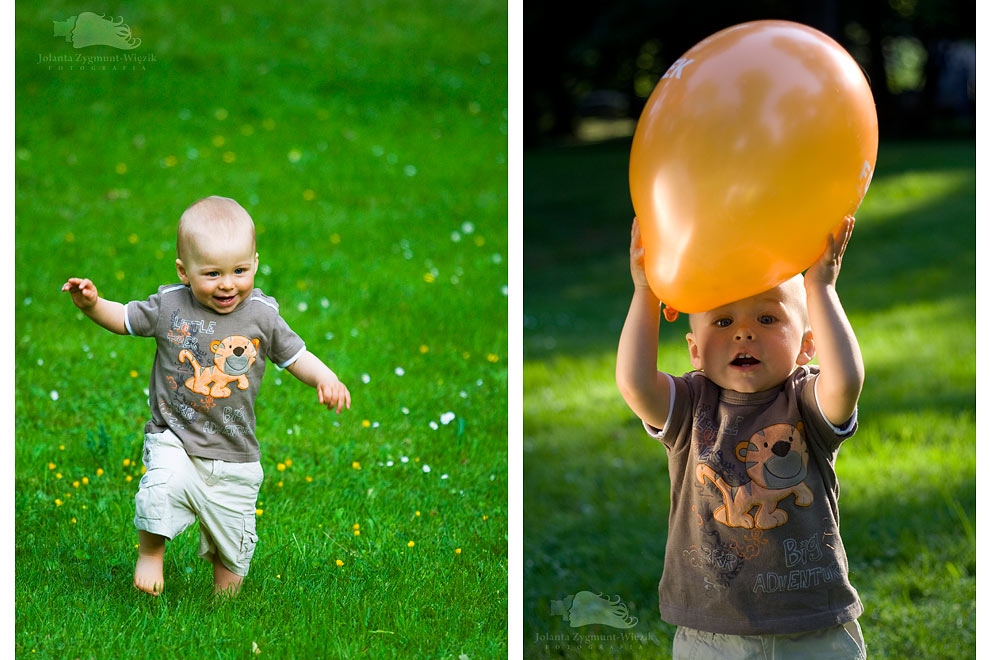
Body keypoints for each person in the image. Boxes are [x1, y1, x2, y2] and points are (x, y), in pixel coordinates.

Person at [62, 195, 351, 597]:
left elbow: (296, 355)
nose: (228, 283)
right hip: (175, 436)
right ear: (184, 271)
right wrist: (93, 305)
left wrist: (326, 378)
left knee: (233, 548)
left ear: (255, 262)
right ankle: (151, 553)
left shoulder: (262, 316)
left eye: (240, 270)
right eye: (212, 274)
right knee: (161, 487)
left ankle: (224, 603)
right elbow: (124, 318)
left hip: (235, 451)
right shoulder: (169, 306)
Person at [615, 216, 867, 658]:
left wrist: (822, 289)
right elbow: (636, 384)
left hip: (812, 624)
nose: (744, 332)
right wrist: (646, 292)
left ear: (807, 345)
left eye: (768, 317)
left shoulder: (805, 399)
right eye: (723, 320)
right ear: (695, 350)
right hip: (713, 630)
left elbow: (845, 382)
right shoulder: (691, 404)